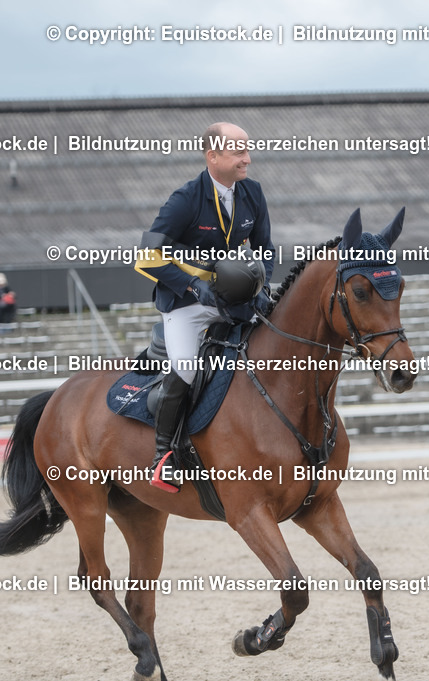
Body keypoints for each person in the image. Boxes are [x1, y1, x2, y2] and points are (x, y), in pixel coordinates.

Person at [135, 122, 276, 493]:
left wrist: (263, 285)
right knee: (184, 368)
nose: (247, 158)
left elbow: (265, 248)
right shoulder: (185, 199)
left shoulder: (253, 193)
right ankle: (163, 456)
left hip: (233, 299)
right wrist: (193, 286)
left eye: (248, 149)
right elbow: (146, 257)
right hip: (185, 304)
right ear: (213, 156)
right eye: (238, 152)